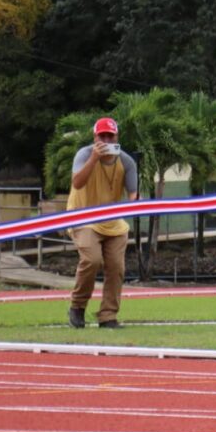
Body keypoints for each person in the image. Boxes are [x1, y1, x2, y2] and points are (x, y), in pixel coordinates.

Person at [66, 117, 139, 329]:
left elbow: (133, 193)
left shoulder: (126, 162)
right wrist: (94, 159)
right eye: (102, 136)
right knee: (92, 260)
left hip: (113, 222)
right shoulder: (84, 154)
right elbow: (77, 183)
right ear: (95, 137)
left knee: (116, 267)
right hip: (83, 217)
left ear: (117, 137)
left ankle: (108, 315)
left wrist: (135, 203)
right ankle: (77, 306)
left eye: (110, 136)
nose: (106, 139)